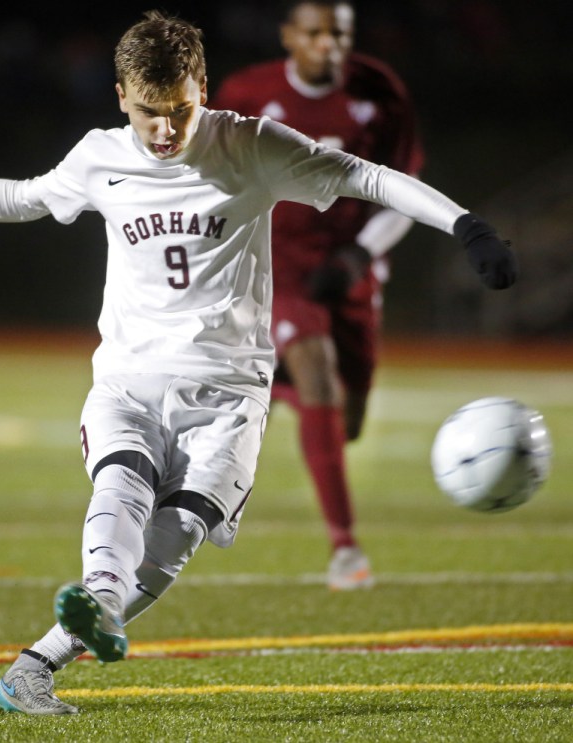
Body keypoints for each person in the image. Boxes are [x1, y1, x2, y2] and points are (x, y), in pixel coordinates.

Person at [0, 10, 516, 716]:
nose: (164, 131)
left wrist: (466, 224)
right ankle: (101, 598)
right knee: (122, 481)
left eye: (179, 111)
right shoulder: (101, 156)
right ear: (119, 97)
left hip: (230, 391)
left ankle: (36, 665)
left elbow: (365, 177)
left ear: (202, 85)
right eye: (147, 114)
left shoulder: (251, 145)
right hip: (130, 376)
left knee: (177, 536)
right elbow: (25, 197)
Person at [211, 0, 424, 590]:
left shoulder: (378, 90)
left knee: (344, 420)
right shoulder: (246, 92)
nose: (328, 44)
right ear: (288, 36)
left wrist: (360, 254)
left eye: (340, 33)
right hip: (276, 263)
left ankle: (270, 387)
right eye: (315, 32)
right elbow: (207, 173)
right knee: (318, 371)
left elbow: (407, 190)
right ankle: (345, 549)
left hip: (350, 267)